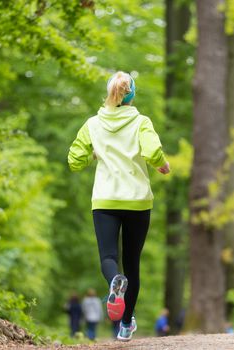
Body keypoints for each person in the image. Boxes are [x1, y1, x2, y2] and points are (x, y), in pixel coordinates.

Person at [68, 71, 170, 341]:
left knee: (109, 258)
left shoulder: (92, 124)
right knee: (132, 263)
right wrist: (162, 163)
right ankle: (126, 326)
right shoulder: (141, 122)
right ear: (132, 95)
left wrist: (93, 153)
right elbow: (152, 152)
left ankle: (115, 281)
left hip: (105, 201)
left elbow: (74, 160)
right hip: (137, 201)